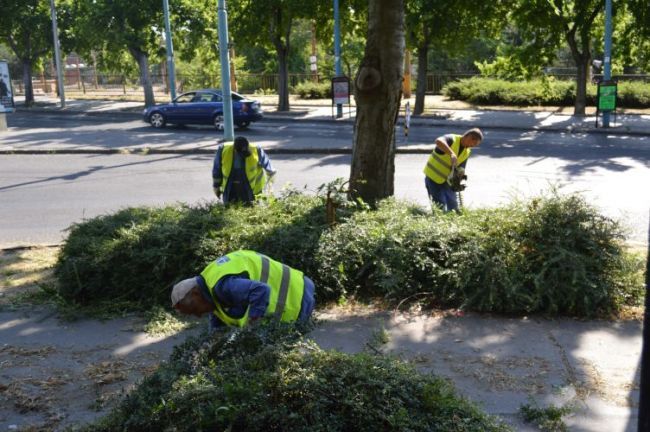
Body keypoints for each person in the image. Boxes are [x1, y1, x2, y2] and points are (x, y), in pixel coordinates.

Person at [171, 250, 316, 329]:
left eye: (194, 309)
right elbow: (217, 326)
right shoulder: (210, 294)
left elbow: (261, 290)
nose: (197, 316)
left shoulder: (223, 286)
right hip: (295, 296)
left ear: (196, 293)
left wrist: (251, 325)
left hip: (298, 296)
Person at [423, 128, 483, 212]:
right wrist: (451, 153)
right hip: (433, 178)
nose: (473, 146)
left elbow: (461, 166)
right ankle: (439, 223)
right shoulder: (452, 139)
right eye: (474, 144)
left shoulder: (467, 151)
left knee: (454, 207)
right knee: (440, 206)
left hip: (448, 182)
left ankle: (453, 222)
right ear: (469, 137)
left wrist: (460, 175)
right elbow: (438, 141)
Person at [212, 136, 276, 205]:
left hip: (252, 190)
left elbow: (271, 171)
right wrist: (216, 187)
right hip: (230, 187)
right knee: (230, 209)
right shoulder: (223, 149)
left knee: (250, 210)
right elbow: (217, 170)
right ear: (235, 150)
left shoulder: (256, 149)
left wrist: (270, 188)